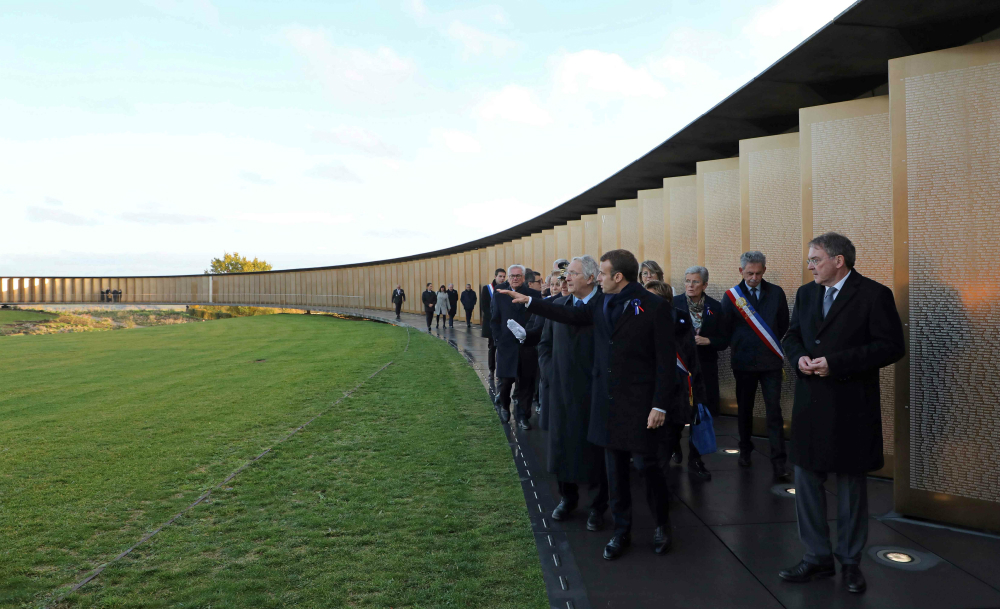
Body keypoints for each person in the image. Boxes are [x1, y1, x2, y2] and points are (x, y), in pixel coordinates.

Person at [500, 249, 677, 560]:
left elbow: (665, 361)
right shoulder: (602, 303)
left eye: (603, 274)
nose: (599, 279)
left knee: (647, 469)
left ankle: (662, 525)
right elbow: (571, 315)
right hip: (607, 403)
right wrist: (530, 301)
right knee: (615, 473)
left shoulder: (654, 306)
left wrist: (659, 405)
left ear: (618, 277)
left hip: (641, 406)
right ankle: (621, 532)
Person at [778, 233, 904, 594]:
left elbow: (891, 347)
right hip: (810, 404)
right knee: (806, 481)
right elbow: (791, 336)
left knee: (850, 486)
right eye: (810, 259)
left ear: (839, 261)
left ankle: (850, 563)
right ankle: (817, 557)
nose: (810, 266)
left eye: (815, 259)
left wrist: (836, 363)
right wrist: (799, 357)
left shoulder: (874, 294)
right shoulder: (806, 294)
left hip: (851, 407)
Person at [539, 256, 609, 531]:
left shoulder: (605, 306)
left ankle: (597, 507)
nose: (566, 278)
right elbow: (545, 346)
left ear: (591, 278)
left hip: (594, 393)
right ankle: (567, 499)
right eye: (566, 274)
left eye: (573, 274)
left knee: (594, 453)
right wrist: (550, 373)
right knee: (562, 448)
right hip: (561, 392)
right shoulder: (558, 307)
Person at [719, 251, 791, 481]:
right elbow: (725, 327)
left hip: (770, 362)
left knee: (774, 412)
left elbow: (783, 324)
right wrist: (743, 344)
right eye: (750, 273)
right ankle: (745, 450)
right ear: (741, 271)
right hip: (743, 362)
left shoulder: (776, 293)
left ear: (764, 271)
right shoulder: (732, 296)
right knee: (744, 409)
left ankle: (779, 461)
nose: (754, 278)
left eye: (758, 273)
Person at [646, 280, 711, 481]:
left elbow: (691, 357)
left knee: (673, 432)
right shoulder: (641, 320)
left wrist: (698, 392)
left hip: (678, 390)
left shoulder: (681, 319)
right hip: (650, 391)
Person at [491, 265, 542, 430]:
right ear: (508, 277)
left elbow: (538, 319)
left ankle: (522, 416)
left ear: (523, 277)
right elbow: (495, 319)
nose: (515, 278)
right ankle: (504, 405)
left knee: (526, 384)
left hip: (527, 346)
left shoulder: (533, 295)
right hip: (506, 346)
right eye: (512, 276)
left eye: (518, 276)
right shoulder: (499, 295)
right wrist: (498, 340)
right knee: (505, 382)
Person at [674, 266, 726, 418]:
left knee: (706, 411)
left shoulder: (715, 307)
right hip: (681, 364)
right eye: (687, 281)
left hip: (706, 365)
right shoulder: (674, 303)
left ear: (704, 285)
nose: (690, 285)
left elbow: (724, 340)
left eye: (695, 282)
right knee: (680, 409)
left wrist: (708, 340)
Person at [481, 269, 506, 393]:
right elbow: (484, 306)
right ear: (495, 276)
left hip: (503, 323)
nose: (502, 278)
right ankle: (491, 370)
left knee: (502, 348)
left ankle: (501, 371)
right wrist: (494, 317)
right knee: (492, 347)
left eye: (504, 276)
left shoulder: (506, 288)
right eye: (500, 276)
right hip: (492, 323)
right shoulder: (487, 289)